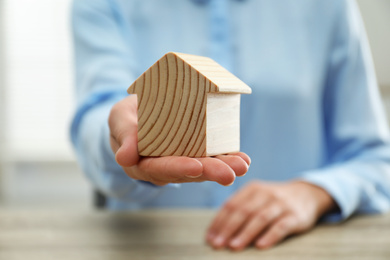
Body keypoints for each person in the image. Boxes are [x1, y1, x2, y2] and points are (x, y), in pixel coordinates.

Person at [70, 0, 390, 251]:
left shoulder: (328, 4)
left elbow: (375, 160)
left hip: (288, 248)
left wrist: (316, 192)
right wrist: (115, 137)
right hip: (149, 247)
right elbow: (97, 112)